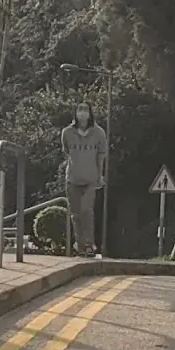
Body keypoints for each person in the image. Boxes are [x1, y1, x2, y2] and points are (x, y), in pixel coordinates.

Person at [61, 101, 107, 257]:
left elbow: (101, 156)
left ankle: (89, 244)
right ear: (75, 113)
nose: (82, 112)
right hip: (72, 179)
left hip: (91, 179)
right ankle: (79, 245)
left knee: (86, 210)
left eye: (85, 109)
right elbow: (66, 151)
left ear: (90, 113)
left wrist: (100, 175)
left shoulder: (99, 133)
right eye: (79, 109)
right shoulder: (67, 132)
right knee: (75, 214)